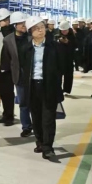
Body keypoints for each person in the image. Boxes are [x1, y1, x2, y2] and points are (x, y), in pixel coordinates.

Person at [19, 16, 64, 161]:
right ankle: (40, 142)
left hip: (49, 86)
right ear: (30, 31)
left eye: (42, 27)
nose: (40, 30)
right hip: (33, 86)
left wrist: (58, 86)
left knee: (48, 118)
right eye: (37, 28)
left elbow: (61, 67)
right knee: (36, 117)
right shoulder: (26, 48)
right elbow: (23, 67)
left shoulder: (54, 47)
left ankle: (48, 148)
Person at [3, 12, 33, 137]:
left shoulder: (31, 37)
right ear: (15, 25)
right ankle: (26, 127)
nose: (24, 25)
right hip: (19, 75)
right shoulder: (8, 40)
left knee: (35, 102)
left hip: (33, 74)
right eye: (21, 23)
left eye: (24, 23)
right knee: (23, 103)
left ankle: (38, 126)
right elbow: (7, 58)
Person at [0, 8, 16, 126]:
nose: (0, 23)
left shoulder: (11, 32)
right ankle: (5, 114)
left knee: (8, 94)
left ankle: (9, 117)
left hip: (7, 68)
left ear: (8, 20)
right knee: (2, 93)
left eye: (2, 20)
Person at [56, 20, 77, 95]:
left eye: (65, 30)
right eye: (62, 30)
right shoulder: (57, 36)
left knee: (68, 75)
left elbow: (76, 46)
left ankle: (67, 90)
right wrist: (58, 41)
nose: (64, 32)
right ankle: (58, 89)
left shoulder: (73, 37)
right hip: (59, 59)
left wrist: (68, 43)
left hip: (69, 59)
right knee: (58, 75)